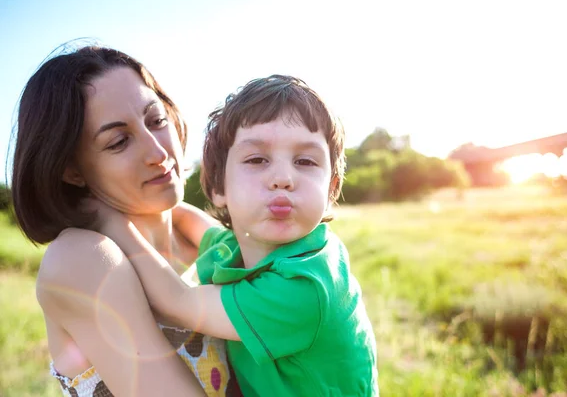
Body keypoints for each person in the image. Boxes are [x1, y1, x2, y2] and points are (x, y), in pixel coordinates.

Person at [93, 75, 379, 396]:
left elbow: (178, 301)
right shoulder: (239, 245)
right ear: (218, 188)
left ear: (332, 188)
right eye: (257, 159)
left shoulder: (307, 285)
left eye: (305, 161)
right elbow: (192, 226)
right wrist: (139, 194)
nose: (283, 178)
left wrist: (109, 220)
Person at [11, 45, 239, 396]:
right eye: (119, 141)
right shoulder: (81, 258)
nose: (159, 153)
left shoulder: (201, 235)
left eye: (157, 120)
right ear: (72, 171)